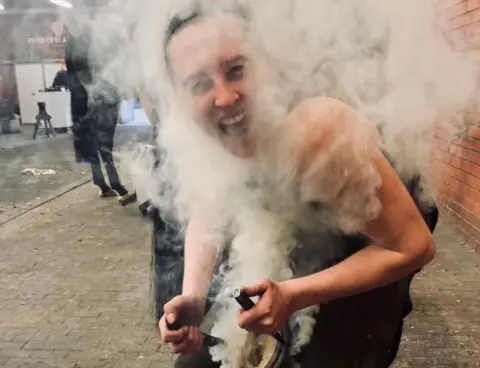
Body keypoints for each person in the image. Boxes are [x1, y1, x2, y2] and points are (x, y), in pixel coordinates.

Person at [155, 8, 438, 368]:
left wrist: (291, 295)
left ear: (267, 63)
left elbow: (414, 247)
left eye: (236, 70)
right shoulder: (202, 135)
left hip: (369, 267)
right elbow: (207, 206)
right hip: (297, 256)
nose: (224, 98)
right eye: (200, 84)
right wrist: (193, 296)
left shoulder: (318, 132)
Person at [65, 26, 136, 204]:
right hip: (98, 98)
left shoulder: (87, 43)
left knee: (98, 143)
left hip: (96, 97)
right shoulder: (87, 44)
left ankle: (104, 183)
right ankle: (112, 183)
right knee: (102, 144)